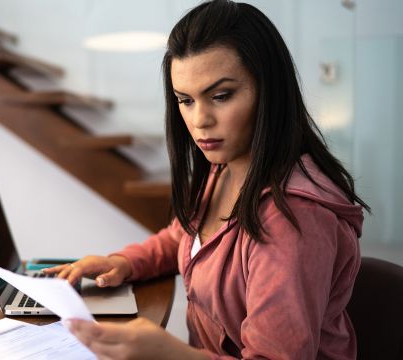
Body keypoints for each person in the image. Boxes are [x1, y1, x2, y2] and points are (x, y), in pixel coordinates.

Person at [44, 0, 370, 359]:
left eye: (221, 96)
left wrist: (169, 354)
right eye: (185, 100)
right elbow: (184, 237)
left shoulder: (292, 218)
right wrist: (123, 263)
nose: (200, 120)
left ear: (269, 91)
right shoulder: (225, 165)